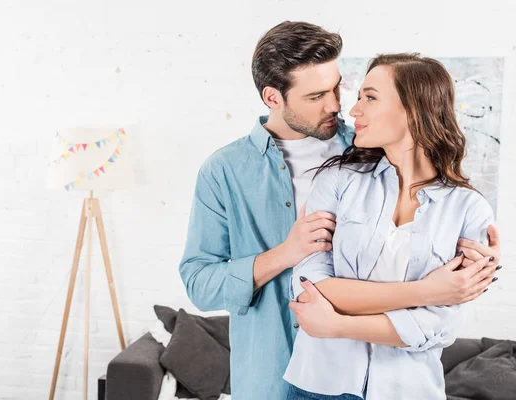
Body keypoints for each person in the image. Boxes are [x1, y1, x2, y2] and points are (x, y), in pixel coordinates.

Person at [179, 22, 501, 400]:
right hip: (270, 376)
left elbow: (442, 216)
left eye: (337, 87)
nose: (336, 105)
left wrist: (478, 268)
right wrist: (284, 254)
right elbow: (200, 284)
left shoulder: (369, 149)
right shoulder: (225, 171)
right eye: (316, 96)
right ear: (273, 97)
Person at [285, 53, 500, 400]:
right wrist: (428, 291)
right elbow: (310, 287)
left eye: (369, 97)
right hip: (318, 386)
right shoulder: (337, 182)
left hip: (410, 390)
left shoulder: (468, 209)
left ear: (414, 108)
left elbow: (439, 325)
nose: (354, 111)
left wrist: (339, 324)